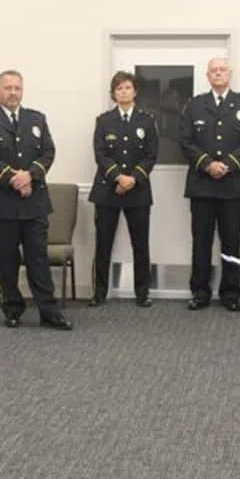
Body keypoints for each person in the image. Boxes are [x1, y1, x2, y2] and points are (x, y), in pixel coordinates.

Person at [0, 70, 73, 330]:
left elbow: (48, 152)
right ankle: (12, 309)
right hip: (1, 201)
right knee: (6, 259)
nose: (13, 93)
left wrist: (30, 176)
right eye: (7, 88)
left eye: (17, 88)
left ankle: (49, 312)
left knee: (38, 258)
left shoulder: (36, 119)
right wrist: (14, 179)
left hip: (34, 201)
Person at [178, 57, 240, 311]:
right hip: (202, 185)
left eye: (222, 70)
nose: (218, 74)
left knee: (231, 242)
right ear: (207, 76)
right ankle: (200, 292)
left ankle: (231, 293)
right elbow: (185, 141)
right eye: (213, 71)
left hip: (234, 185)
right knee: (201, 242)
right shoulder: (194, 105)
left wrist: (228, 164)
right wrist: (207, 164)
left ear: (230, 74)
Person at [88, 70, 159, 307]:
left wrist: (132, 179)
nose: (123, 92)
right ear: (113, 94)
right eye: (119, 88)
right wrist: (118, 177)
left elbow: (151, 155)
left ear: (135, 91)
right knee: (103, 244)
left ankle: (142, 293)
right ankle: (99, 293)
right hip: (107, 190)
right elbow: (100, 154)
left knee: (140, 244)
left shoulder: (146, 120)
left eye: (127, 87)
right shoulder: (104, 121)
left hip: (138, 191)